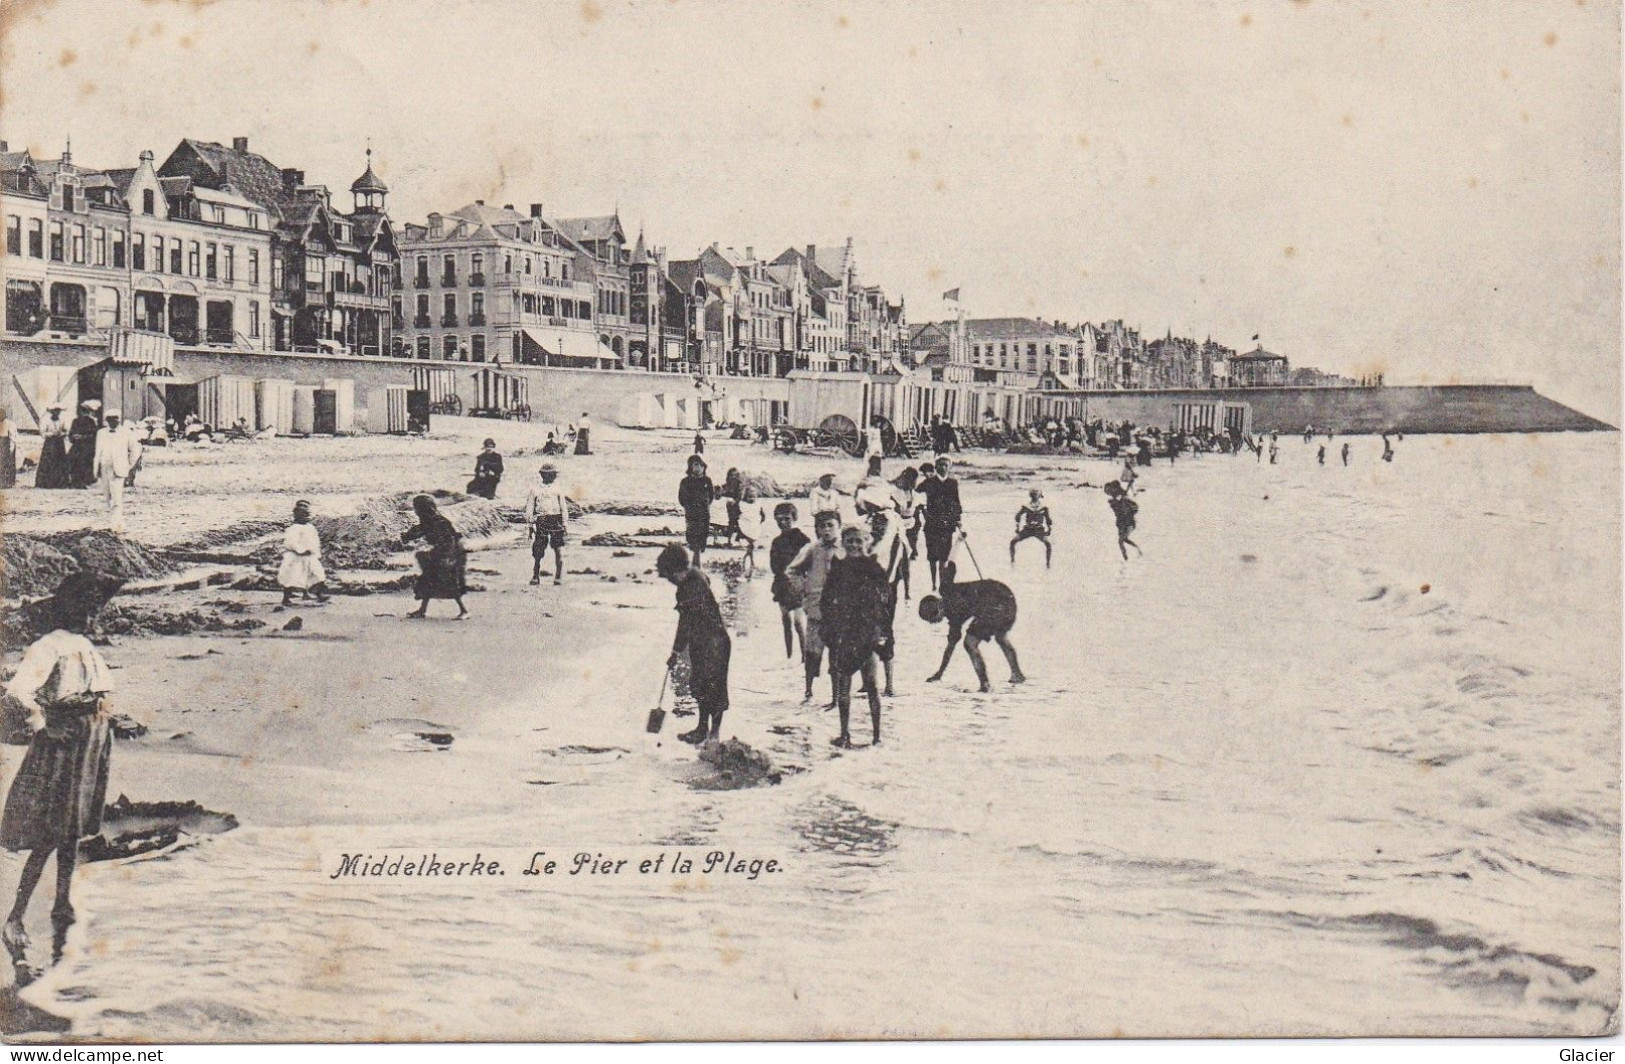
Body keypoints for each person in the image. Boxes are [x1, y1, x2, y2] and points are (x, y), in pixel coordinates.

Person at [2, 570, 123, 983]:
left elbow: (99, 689)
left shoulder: (84, 644)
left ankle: (62, 902)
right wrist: (41, 725)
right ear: (70, 610)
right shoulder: (48, 646)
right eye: (87, 611)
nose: (92, 619)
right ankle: (16, 913)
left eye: (94, 612)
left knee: (72, 829)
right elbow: (18, 692)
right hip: (64, 741)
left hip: (89, 738)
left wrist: (105, 719)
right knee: (50, 831)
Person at [820, 525, 890, 748]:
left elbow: (886, 601)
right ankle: (844, 734)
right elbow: (826, 601)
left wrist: (884, 632)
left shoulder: (875, 567)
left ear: (866, 543)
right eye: (849, 541)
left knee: (871, 685)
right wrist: (829, 630)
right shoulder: (838, 568)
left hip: (867, 634)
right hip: (844, 633)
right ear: (842, 542)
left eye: (858, 541)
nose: (854, 545)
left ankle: (877, 736)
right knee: (844, 686)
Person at [659, 544, 731, 745]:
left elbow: (685, 623)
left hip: (716, 641)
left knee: (715, 687)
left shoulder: (693, 585)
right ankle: (702, 728)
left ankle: (714, 733)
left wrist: (675, 651)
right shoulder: (693, 577)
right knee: (699, 684)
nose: (670, 582)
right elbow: (687, 623)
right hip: (701, 642)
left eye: (670, 577)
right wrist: (678, 651)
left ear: (677, 571)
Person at [920, 562, 1025, 693]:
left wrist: (939, 673)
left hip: (996, 602)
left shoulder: (952, 610)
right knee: (1000, 636)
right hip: (1006, 596)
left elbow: (950, 564)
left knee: (970, 643)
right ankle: (1017, 674)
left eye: (932, 618)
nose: (934, 622)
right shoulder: (947, 595)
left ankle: (985, 685)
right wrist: (939, 673)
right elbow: (950, 564)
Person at [788, 511, 843, 704]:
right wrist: (804, 588)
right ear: (816, 529)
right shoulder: (812, 549)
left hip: (839, 612)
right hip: (816, 610)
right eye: (822, 526)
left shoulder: (846, 548)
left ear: (839, 526)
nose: (826, 530)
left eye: (830, 525)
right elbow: (792, 570)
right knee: (812, 653)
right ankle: (808, 691)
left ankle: (836, 698)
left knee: (837, 656)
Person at [401, 494, 468, 619]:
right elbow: (418, 530)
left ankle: (464, 611)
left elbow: (451, 540)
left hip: (452, 552)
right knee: (428, 579)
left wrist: (447, 558)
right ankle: (422, 610)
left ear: (424, 509)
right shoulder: (429, 521)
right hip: (441, 551)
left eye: (417, 508)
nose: (415, 511)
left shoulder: (439, 522)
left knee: (450, 582)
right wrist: (406, 536)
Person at [768, 503, 811, 660]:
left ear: (795, 518)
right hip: (781, 583)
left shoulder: (803, 539)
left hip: (798, 583)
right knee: (786, 620)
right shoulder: (776, 541)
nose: (783, 523)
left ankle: (804, 658)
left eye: (787, 519)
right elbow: (773, 565)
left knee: (799, 623)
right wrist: (783, 575)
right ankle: (789, 656)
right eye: (779, 520)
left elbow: (809, 562)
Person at [919, 455, 963, 592]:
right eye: (940, 465)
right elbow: (917, 493)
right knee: (932, 557)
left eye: (946, 465)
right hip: (932, 524)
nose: (943, 467)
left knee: (944, 557)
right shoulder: (929, 482)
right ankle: (933, 584)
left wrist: (958, 519)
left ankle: (942, 585)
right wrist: (923, 511)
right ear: (936, 467)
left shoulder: (953, 483)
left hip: (947, 525)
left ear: (949, 467)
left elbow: (956, 503)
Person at [93, 411, 140, 534]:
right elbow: (98, 451)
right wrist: (96, 467)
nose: (113, 422)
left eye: (115, 419)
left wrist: (129, 465)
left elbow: (135, 449)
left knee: (117, 498)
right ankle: (115, 521)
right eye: (110, 419)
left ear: (119, 420)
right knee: (107, 497)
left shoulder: (126, 433)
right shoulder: (101, 433)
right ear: (106, 420)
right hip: (105, 468)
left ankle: (117, 525)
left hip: (119, 468)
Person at [525, 463, 569, 585]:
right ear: (542, 475)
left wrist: (565, 523)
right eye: (547, 474)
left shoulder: (558, 489)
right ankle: (535, 575)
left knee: (558, 547)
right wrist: (530, 524)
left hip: (556, 518)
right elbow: (530, 507)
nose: (549, 477)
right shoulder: (535, 490)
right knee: (538, 548)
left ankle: (558, 575)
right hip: (542, 519)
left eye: (552, 474)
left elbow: (563, 507)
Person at [279, 500, 329, 605]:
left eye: (307, 515)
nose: (306, 517)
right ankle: (286, 598)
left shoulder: (310, 527)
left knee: (317, 574)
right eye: (303, 515)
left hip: (309, 556)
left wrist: (316, 552)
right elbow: (290, 543)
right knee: (292, 577)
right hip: (295, 557)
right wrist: (301, 550)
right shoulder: (293, 528)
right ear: (296, 516)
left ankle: (318, 594)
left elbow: (315, 541)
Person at [890, 466, 921, 602]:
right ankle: (897, 588)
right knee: (898, 560)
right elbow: (894, 513)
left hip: (911, 531)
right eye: (912, 480)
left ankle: (906, 591)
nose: (913, 482)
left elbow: (918, 516)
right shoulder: (896, 494)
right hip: (898, 530)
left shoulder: (915, 495)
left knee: (906, 562)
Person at [678, 455, 714, 567]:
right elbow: (681, 497)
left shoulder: (707, 480)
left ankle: (697, 558)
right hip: (691, 511)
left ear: (704, 467)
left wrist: (706, 502)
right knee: (693, 535)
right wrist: (688, 505)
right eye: (695, 465)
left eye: (700, 465)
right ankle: (696, 560)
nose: (698, 468)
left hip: (704, 511)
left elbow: (711, 495)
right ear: (690, 467)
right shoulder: (685, 481)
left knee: (703, 534)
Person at [1010, 488, 1053, 567]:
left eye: (1035, 495)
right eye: (1034, 495)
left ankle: (1048, 564)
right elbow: (1017, 516)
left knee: (1048, 544)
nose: (1034, 496)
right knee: (1013, 542)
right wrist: (1017, 527)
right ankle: (1012, 561)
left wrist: (1017, 527)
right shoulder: (1029, 507)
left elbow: (1048, 520)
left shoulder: (1043, 508)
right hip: (1029, 530)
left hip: (1038, 530)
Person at [35, 405, 70, 489]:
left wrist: (62, 433)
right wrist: (51, 434)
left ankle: (60, 483)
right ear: (51, 412)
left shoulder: (61, 420)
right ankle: (45, 483)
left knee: (60, 461)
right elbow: (42, 433)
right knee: (48, 461)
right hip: (50, 443)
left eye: (58, 411)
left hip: (59, 443)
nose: (57, 413)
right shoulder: (45, 420)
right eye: (55, 411)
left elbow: (66, 430)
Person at [1105, 481, 1141, 560]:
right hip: (1124, 523)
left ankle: (1126, 558)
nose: (1108, 492)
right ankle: (1135, 551)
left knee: (1121, 541)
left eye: (1109, 490)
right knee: (1123, 540)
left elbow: (1125, 510)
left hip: (1127, 523)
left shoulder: (1120, 499)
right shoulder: (1119, 498)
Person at [67, 401, 99, 489]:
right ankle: (75, 481)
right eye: (82, 411)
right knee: (73, 460)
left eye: (85, 411)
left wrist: (83, 437)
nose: (84, 413)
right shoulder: (75, 421)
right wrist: (74, 437)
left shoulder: (91, 422)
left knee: (84, 462)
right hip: (77, 446)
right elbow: (71, 434)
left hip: (86, 446)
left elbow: (94, 435)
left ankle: (84, 481)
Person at [0, 407, 16, 489]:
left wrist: (11, 448)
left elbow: (12, 437)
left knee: (6, 464)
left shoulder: (10, 424)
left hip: (6, 445)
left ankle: (8, 482)